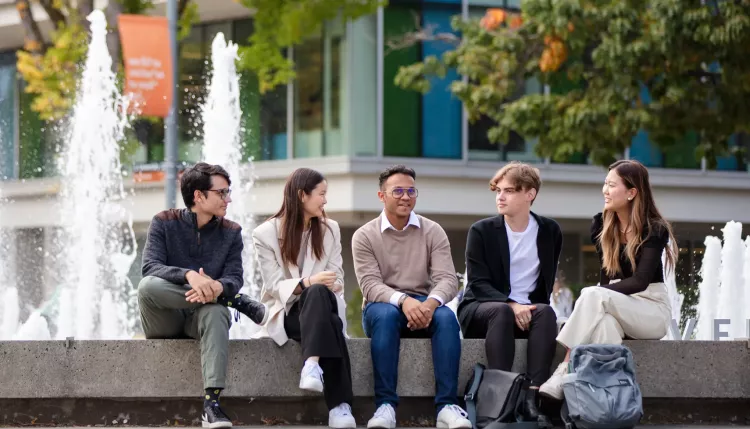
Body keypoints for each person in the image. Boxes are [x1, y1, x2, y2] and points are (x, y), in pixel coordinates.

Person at [138, 162, 266, 428]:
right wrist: (190, 276)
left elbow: (234, 278)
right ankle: (235, 303)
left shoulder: (231, 232)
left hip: (199, 318)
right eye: (221, 193)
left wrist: (219, 288)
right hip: (165, 317)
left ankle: (212, 405)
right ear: (198, 196)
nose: (228, 199)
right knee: (148, 286)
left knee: (218, 311)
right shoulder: (163, 222)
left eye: (228, 192)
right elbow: (150, 268)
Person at [539, 160, 676, 400]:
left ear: (632, 192)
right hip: (616, 306)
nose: (605, 190)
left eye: (612, 185)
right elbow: (607, 277)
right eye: (605, 183)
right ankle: (600, 399)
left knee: (593, 294)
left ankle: (565, 365)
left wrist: (602, 294)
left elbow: (641, 281)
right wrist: (603, 295)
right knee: (603, 326)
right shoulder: (601, 225)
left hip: (650, 310)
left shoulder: (654, 229)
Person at [352, 165, 471, 429]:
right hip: (382, 306)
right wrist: (404, 301)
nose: (406, 197)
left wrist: (429, 304)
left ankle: (447, 406)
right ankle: (385, 406)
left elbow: (447, 279)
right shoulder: (364, 235)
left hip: (424, 304)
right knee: (385, 315)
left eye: (411, 191)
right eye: (398, 191)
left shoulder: (433, 231)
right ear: (382, 196)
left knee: (447, 317)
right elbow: (370, 285)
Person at [457, 162, 562, 428]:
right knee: (502, 311)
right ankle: (500, 399)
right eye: (498, 191)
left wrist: (526, 309)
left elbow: (544, 287)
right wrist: (513, 305)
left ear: (530, 194)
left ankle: (532, 399)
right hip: (482, 309)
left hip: (526, 313)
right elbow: (478, 285)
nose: (500, 197)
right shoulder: (481, 231)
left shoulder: (550, 231)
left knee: (547, 312)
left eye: (509, 191)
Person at [251, 168, 356, 429]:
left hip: (324, 302)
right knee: (328, 318)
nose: (325, 200)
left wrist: (321, 285)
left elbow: (339, 278)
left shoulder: (330, 229)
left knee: (320, 296)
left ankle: (311, 365)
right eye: (321, 194)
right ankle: (340, 406)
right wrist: (309, 283)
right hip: (288, 315)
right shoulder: (264, 234)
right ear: (301, 195)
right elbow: (274, 285)